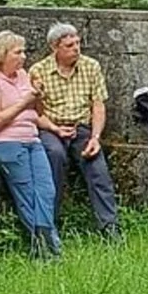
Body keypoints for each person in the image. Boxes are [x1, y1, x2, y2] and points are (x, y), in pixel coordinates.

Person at [28, 23, 122, 241]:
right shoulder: (38, 71)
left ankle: (110, 228)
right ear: (55, 47)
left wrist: (96, 137)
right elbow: (35, 112)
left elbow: (98, 105)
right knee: (54, 156)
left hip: (81, 127)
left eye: (78, 43)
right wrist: (54, 128)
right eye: (69, 45)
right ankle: (48, 228)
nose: (76, 49)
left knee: (98, 169)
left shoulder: (91, 66)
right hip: (51, 126)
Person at [0, 31, 63, 258]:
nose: (23, 56)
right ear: (2, 54)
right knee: (27, 193)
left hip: (31, 138)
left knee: (46, 190)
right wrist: (25, 101)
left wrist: (39, 99)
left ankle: (47, 245)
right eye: (18, 52)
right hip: (4, 141)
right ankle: (48, 249)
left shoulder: (23, 75)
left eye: (23, 51)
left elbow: (35, 114)